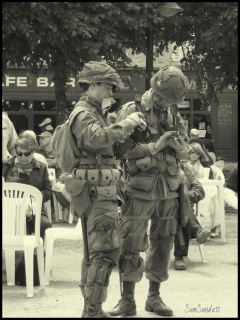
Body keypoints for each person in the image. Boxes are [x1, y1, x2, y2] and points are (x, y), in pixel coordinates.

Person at [109, 65, 191, 317]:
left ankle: (154, 297)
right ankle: (127, 300)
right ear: (155, 91)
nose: (168, 104)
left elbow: (185, 149)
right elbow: (123, 151)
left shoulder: (173, 112)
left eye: (173, 101)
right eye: (166, 99)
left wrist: (180, 148)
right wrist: (157, 146)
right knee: (131, 242)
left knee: (163, 242)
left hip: (168, 187)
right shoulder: (130, 111)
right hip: (140, 187)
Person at [67, 61, 147, 318]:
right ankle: (92, 309)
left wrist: (128, 129)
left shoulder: (95, 113)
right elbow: (95, 138)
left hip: (101, 191)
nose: (111, 90)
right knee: (105, 251)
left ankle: (91, 307)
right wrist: (126, 123)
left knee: (96, 252)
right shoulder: (83, 114)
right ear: (92, 85)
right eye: (108, 85)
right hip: (97, 192)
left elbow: (106, 146)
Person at [2, 135, 52, 241]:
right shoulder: (5, 166)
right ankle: (15, 255)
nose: (23, 157)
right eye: (19, 153)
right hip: (9, 209)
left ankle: (39, 255)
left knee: (45, 225)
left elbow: (48, 191)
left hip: (34, 209)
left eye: (27, 154)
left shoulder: (42, 168)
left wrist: (34, 199)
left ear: (33, 152)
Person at [174, 162, 211, 270]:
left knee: (182, 211)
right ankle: (196, 230)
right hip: (166, 204)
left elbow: (199, 191)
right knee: (181, 210)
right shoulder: (162, 167)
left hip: (184, 206)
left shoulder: (186, 168)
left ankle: (179, 257)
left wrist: (185, 196)